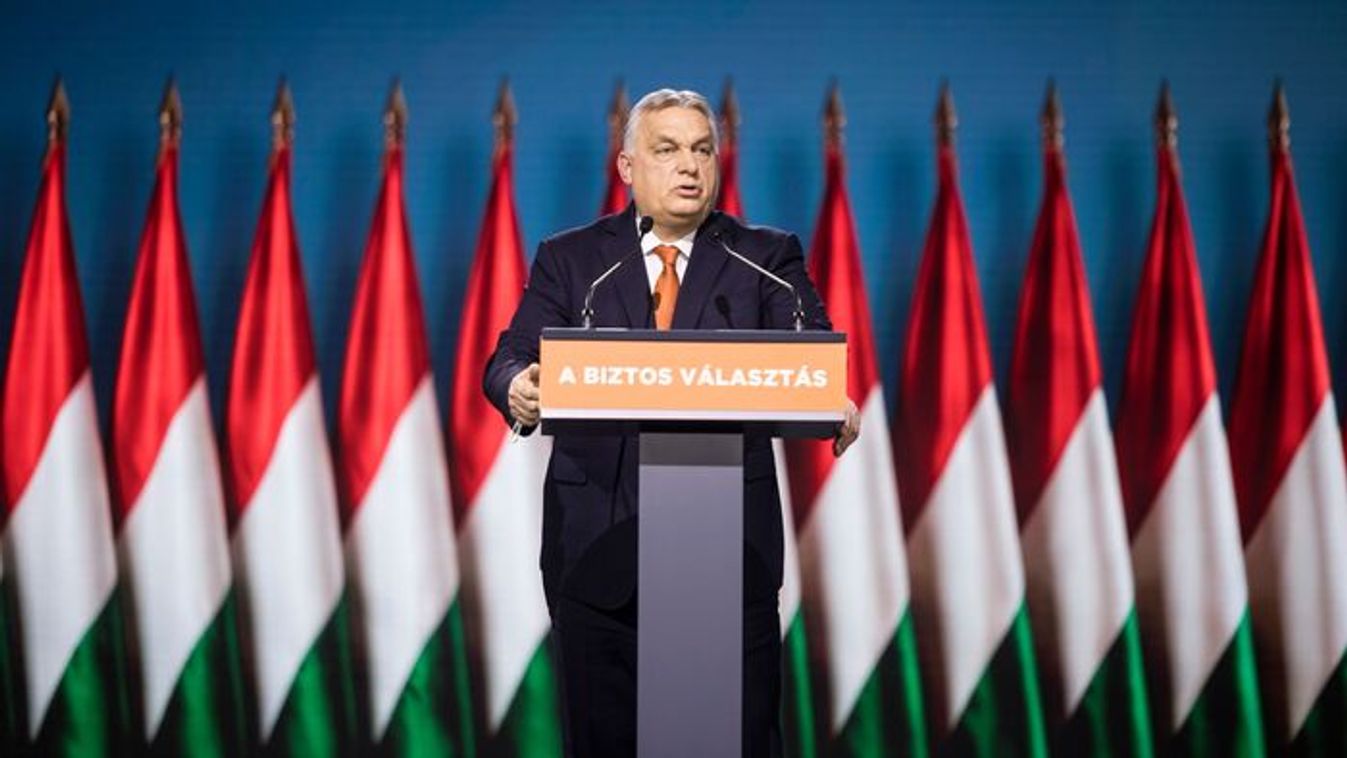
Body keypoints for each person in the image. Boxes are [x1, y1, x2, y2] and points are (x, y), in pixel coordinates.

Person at [483, 88, 859, 757]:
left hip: (722, 552)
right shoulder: (573, 260)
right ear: (627, 167)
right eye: (667, 150)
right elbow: (509, 357)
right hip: (598, 551)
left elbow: (811, 352)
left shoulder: (763, 257)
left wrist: (830, 396)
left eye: (701, 149)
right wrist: (518, 386)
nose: (689, 166)